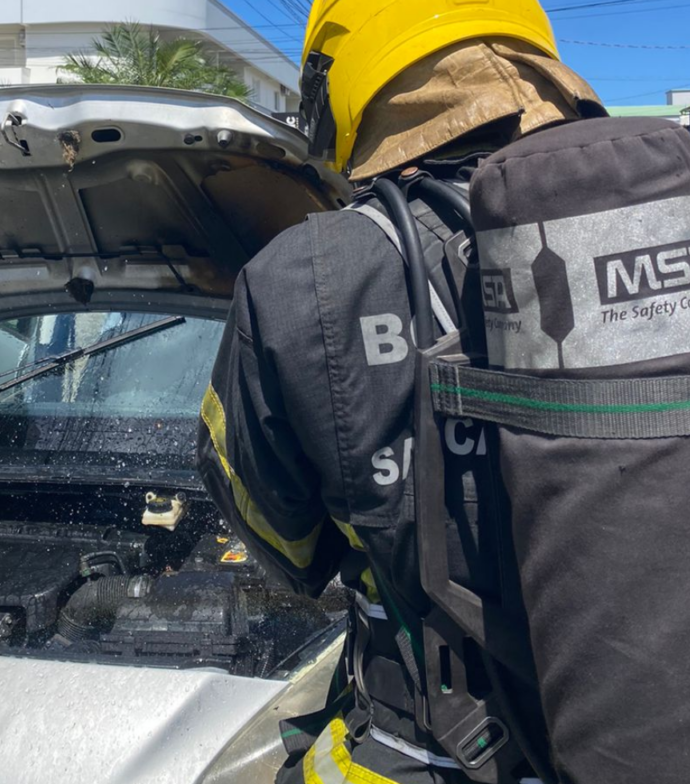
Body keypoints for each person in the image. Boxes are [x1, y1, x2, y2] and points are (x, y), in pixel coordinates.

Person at [196, 2, 610, 782]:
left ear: (336, 87)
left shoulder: (296, 282)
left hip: (434, 746)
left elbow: (283, 541)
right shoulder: (663, 220)